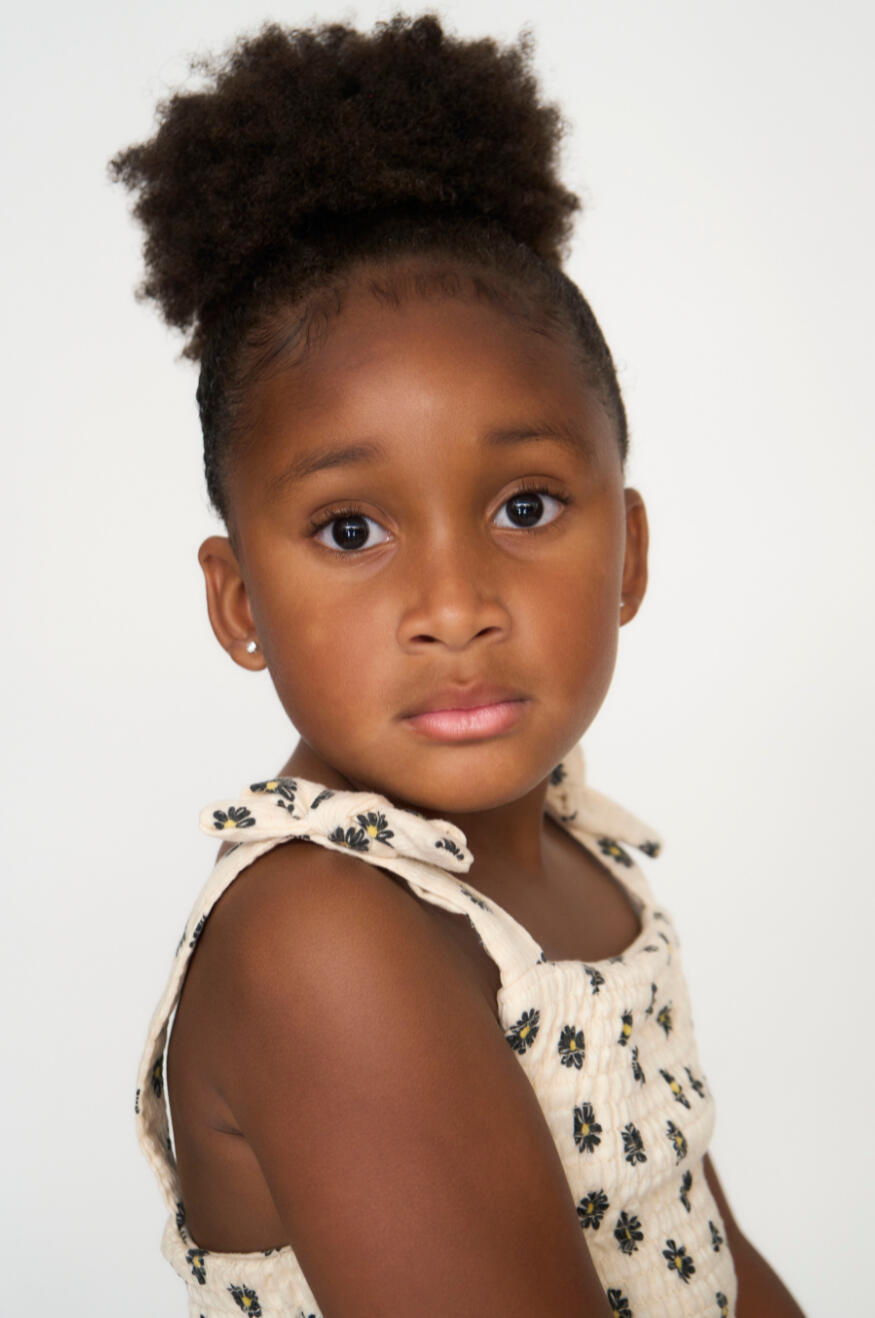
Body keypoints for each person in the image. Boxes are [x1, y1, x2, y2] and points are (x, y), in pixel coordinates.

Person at [113, 14, 805, 1317]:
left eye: (525, 507)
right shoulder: (324, 936)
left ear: (630, 553)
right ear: (240, 602)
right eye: (352, 531)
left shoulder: (580, 859)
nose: (455, 607)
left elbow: (707, 1255)